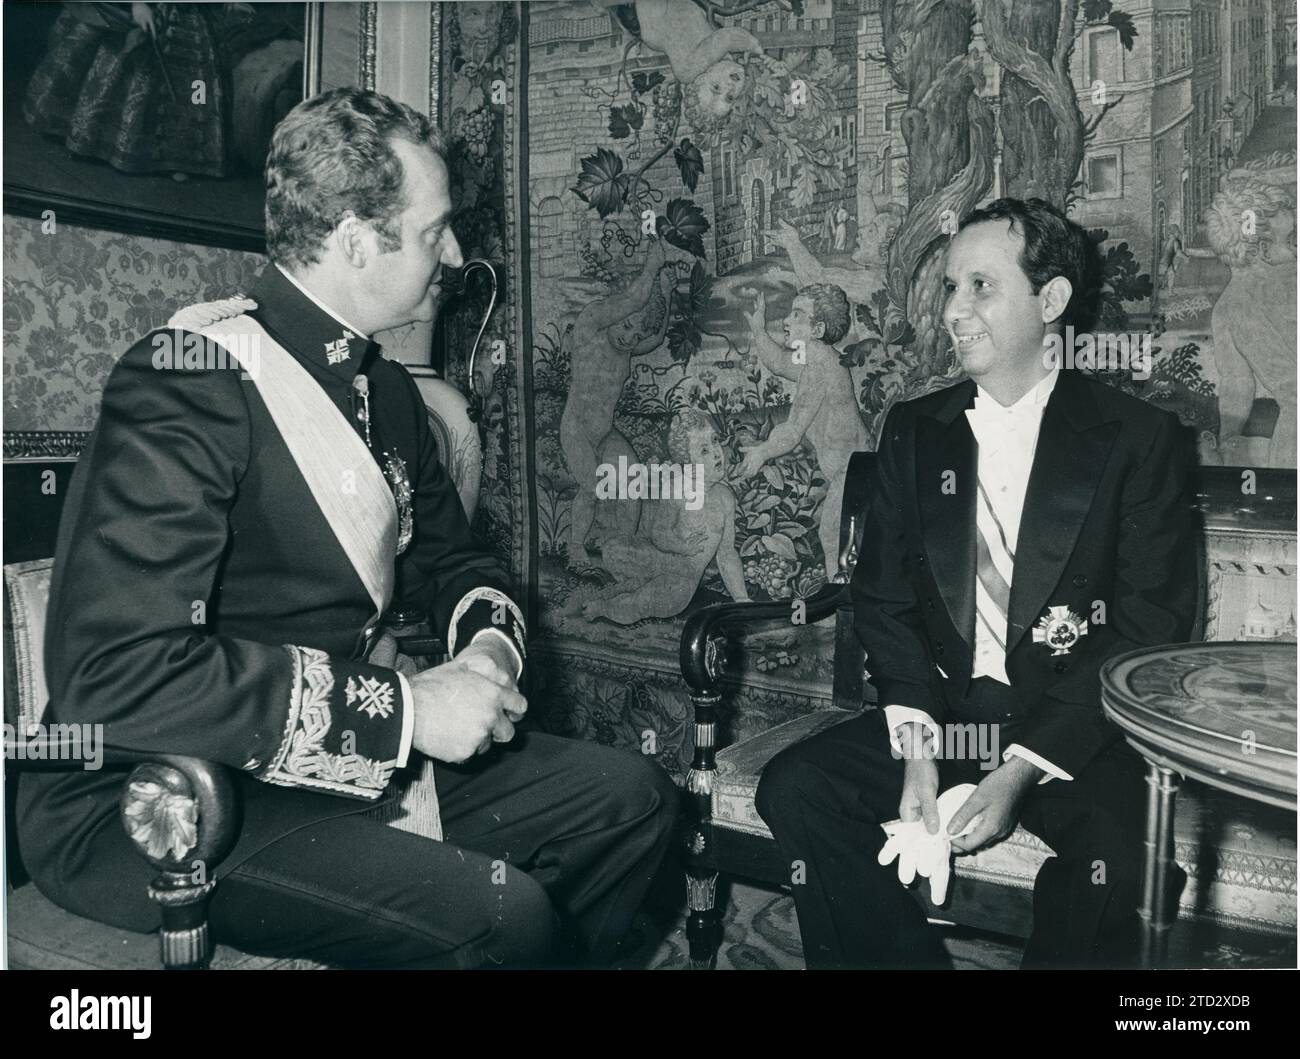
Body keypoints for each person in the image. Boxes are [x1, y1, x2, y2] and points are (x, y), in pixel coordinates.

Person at [20, 87, 678, 969]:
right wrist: (409, 711)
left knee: (631, 797)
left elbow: (459, 562)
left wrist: (488, 653)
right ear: (358, 240)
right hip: (165, 799)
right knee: (504, 916)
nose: (455, 252)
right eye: (436, 228)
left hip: (328, 765)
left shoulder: (390, 394)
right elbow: (113, 680)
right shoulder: (188, 379)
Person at [754, 197, 1197, 969]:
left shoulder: (1138, 439)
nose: (954, 310)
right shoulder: (915, 429)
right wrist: (921, 746)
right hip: (952, 721)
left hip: (1075, 733)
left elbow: (1146, 628)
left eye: (981, 287)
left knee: (1122, 861)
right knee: (798, 787)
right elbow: (883, 601)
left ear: (1050, 301)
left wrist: (1022, 767)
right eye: (951, 287)